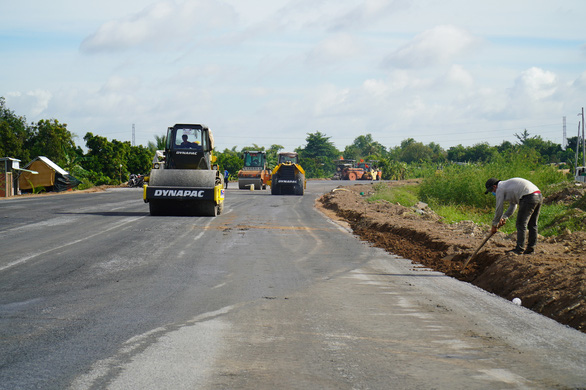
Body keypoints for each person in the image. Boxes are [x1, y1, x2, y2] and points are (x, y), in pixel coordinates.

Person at [484, 177, 543, 255]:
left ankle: (519, 249)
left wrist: (495, 224)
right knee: (532, 224)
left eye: (492, 190)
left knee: (521, 224)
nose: (493, 192)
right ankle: (531, 248)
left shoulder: (500, 188)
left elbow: (499, 208)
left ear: (494, 186)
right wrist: (504, 217)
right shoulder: (508, 187)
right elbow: (513, 206)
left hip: (528, 196)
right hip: (538, 195)